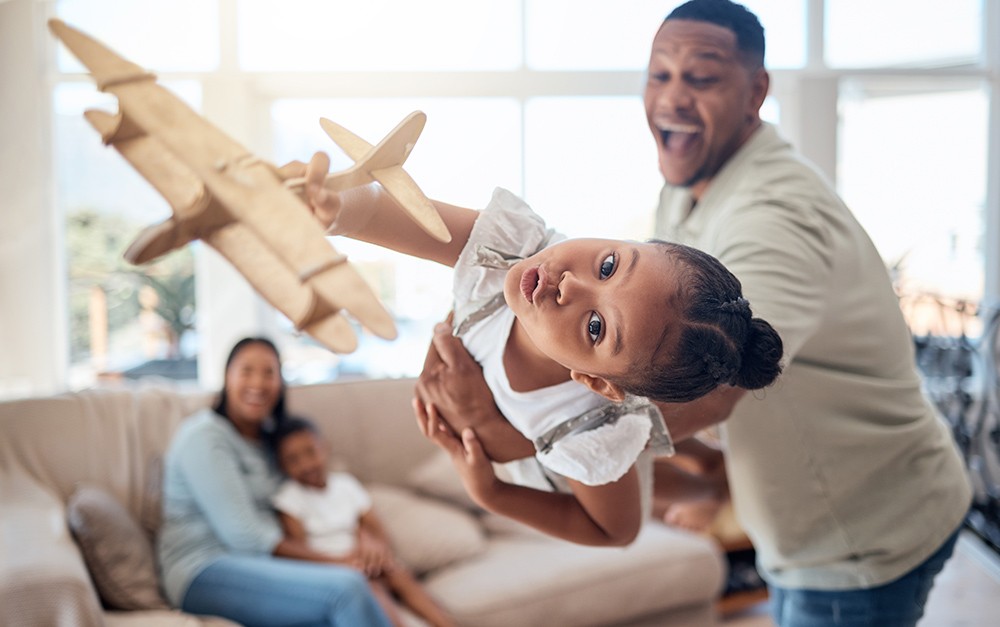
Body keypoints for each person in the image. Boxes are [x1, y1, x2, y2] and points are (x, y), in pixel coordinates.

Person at [411, 1, 973, 625]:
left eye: (700, 77)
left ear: (756, 90)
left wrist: (499, 428)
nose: (671, 98)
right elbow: (651, 352)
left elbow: (706, 394)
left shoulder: (771, 221)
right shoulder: (688, 186)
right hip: (805, 517)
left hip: (860, 532)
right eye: (659, 74)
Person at [287, 154, 783, 547]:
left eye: (594, 326)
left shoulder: (587, 430)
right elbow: (384, 212)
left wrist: (493, 493)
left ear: (593, 380)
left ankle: (711, 485)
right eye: (609, 265)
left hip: (553, 459)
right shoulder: (513, 248)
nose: (569, 283)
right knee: (654, 449)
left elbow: (615, 531)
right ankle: (711, 470)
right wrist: (336, 209)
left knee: (640, 468)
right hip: (580, 422)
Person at [156, 337, 393, 627]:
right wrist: (340, 563)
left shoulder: (271, 443)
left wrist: (365, 536)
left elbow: (318, 497)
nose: (258, 383)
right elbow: (246, 538)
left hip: (263, 568)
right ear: (226, 377)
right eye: (246, 371)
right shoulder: (204, 437)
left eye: (269, 373)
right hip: (203, 571)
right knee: (346, 589)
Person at [269, 416, 455, 627]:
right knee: (370, 587)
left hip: (364, 561)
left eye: (310, 452)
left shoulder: (345, 485)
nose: (306, 464)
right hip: (331, 570)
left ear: (324, 447)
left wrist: (375, 550)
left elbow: (375, 528)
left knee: (396, 571)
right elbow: (300, 552)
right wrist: (345, 564)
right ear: (282, 466)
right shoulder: (289, 498)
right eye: (293, 460)